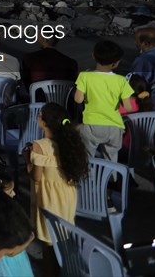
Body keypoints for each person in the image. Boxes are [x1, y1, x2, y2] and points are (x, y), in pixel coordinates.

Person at [26, 102, 88, 260]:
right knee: (63, 236)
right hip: (67, 195)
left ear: (44, 123)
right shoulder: (70, 141)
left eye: (39, 115)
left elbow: (36, 177)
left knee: (50, 245)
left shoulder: (39, 145)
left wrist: (27, 161)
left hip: (49, 198)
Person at [74, 40, 134, 160]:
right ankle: (111, 178)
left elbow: (78, 100)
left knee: (87, 158)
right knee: (112, 159)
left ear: (93, 55)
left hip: (92, 125)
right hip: (115, 127)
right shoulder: (121, 80)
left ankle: (88, 178)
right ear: (116, 63)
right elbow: (128, 107)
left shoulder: (84, 76)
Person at [0, 169, 36, 277]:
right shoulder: (4, 219)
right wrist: (28, 240)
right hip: (8, 266)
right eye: (9, 191)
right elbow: (11, 252)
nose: (13, 194)